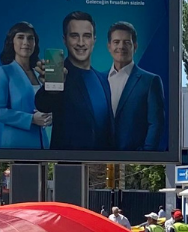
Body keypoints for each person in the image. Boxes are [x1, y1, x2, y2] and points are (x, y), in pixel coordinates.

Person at [35, 11, 112, 151]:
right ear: (65, 39)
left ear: (94, 39)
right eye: (74, 36)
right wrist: (50, 89)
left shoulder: (103, 79)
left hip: (101, 166)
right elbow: (44, 103)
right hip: (67, 167)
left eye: (87, 36)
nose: (81, 43)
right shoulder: (60, 76)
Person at [106, 22, 165, 152]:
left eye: (127, 42)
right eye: (116, 42)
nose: (121, 46)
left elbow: (156, 123)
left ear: (135, 47)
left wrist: (146, 153)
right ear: (109, 46)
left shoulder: (150, 81)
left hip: (133, 159)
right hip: (100, 156)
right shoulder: (99, 79)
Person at [0, 22, 51, 149]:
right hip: (16, 146)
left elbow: (48, 105)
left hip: (43, 146)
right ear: (11, 42)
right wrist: (31, 119)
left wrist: (51, 116)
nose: (26, 42)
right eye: (20, 37)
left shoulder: (40, 73)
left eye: (30, 38)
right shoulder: (3, 72)